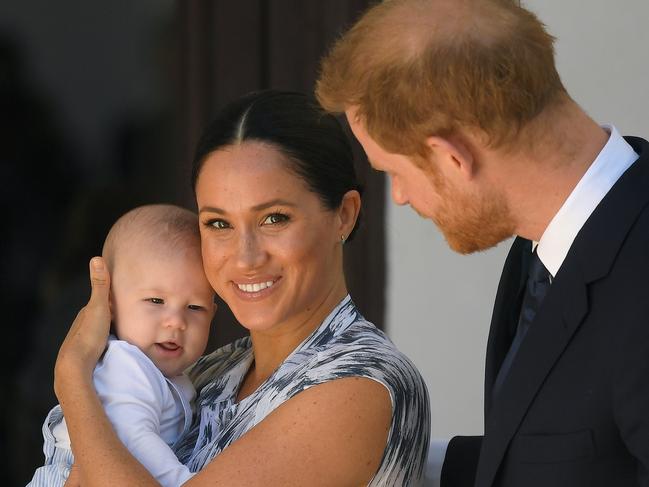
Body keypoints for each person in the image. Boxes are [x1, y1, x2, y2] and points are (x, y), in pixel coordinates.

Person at [316, 0, 649, 486]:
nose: (402, 197)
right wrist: (376, 457)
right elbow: (564, 453)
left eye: (393, 172)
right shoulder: (546, 242)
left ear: (451, 158)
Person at [52, 90, 430, 486]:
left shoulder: (358, 384)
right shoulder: (214, 369)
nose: (245, 258)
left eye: (274, 218)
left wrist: (73, 378)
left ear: (344, 216)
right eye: (219, 223)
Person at [29, 204, 216, 486]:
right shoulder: (126, 365)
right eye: (156, 301)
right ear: (110, 305)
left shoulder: (166, 374)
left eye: (195, 307)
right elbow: (132, 439)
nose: (176, 322)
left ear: (213, 313)